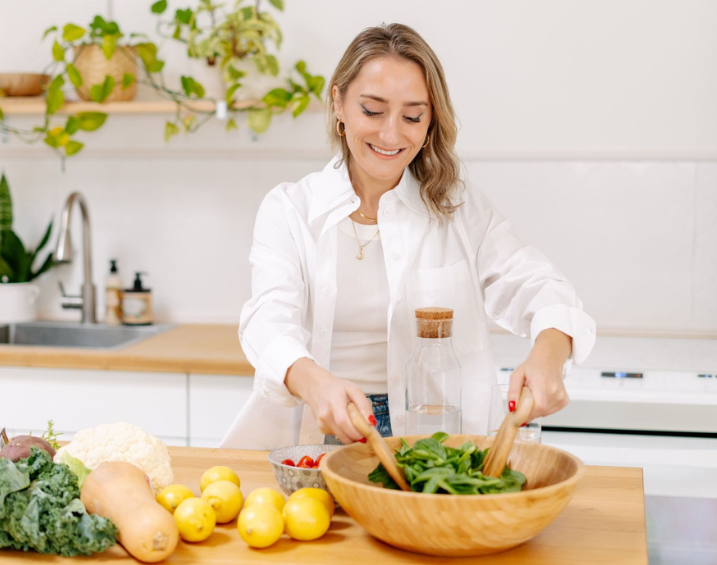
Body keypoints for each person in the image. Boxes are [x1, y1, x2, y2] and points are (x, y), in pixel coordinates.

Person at [220, 23, 596, 450]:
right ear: (339, 103)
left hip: (431, 438)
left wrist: (549, 354)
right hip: (314, 430)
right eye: (372, 110)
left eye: (412, 116)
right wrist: (314, 383)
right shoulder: (290, 209)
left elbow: (539, 286)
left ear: (431, 119)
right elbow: (267, 320)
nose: (391, 134)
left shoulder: (456, 206)